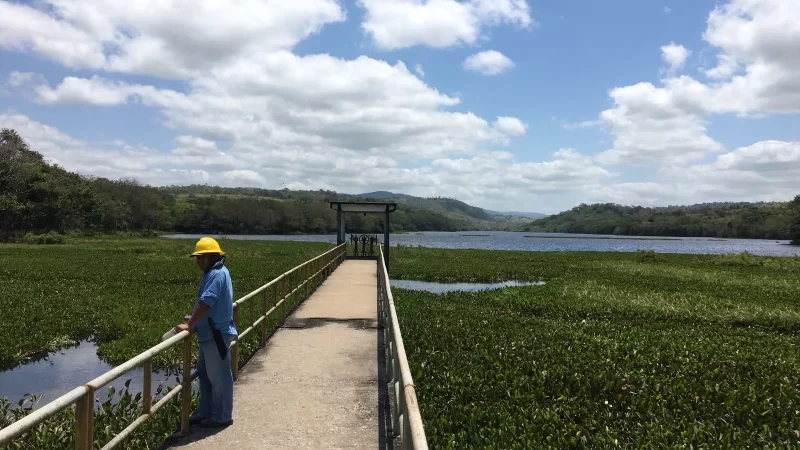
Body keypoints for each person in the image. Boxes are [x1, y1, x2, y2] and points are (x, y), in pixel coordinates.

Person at [175, 237, 238, 428]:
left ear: (212, 257)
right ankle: (205, 411)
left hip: (215, 335)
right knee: (205, 374)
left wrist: (190, 324)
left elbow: (206, 303)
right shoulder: (213, 273)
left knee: (219, 378)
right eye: (197, 258)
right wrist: (195, 324)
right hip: (208, 334)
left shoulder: (217, 275)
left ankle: (221, 417)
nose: (198, 261)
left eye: (201, 257)